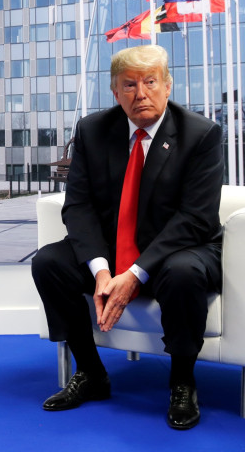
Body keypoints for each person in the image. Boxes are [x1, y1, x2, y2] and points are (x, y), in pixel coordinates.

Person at [32, 44, 223, 430]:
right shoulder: (93, 130)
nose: (141, 93)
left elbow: (194, 219)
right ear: (115, 92)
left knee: (185, 273)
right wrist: (102, 272)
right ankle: (91, 373)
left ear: (167, 86)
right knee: (49, 263)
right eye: (129, 85)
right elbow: (79, 206)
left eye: (150, 82)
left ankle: (182, 381)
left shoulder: (201, 134)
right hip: (113, 251)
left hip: (180, 248)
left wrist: (135, 273)